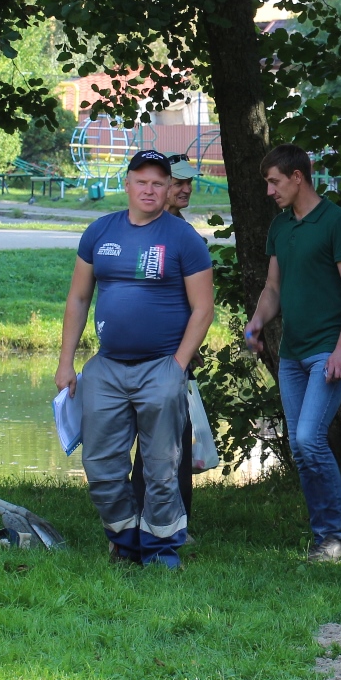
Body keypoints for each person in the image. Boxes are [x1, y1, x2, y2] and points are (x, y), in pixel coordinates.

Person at [56, 150, 214, 567]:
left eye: (158, 183)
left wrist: (178, 365)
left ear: (167, 189)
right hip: (106, 367)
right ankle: (126, 540)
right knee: (100, 465)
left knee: (162, 467)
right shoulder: (99, 231)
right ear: (126, 184)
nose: (149, 189)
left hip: (161, 366)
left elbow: (203, 309)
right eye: (141, 181)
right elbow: (78, 298)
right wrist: (66, 362)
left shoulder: (184, 239)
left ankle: (161, 549)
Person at [243, 144, 341, 562]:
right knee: (300, 447)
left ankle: (339, 538)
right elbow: (272, 288)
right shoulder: (280, 226)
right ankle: (324, 537)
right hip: (292, 354)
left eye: (274, 181)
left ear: (298, 177)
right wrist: (256, 323)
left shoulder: (336, 222)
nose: (269, 190)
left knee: (309, 439)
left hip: (326, 351)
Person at [129, 154, 203, 517]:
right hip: (143, 353)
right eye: (178, 182)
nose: (185, 189)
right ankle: (139, 515)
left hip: (175, 355)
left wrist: (188, 351)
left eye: (189, 183)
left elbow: (198, 303)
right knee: (148, 438)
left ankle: (173, 520)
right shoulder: (145, 231)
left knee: (175, 441)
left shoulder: (185, 235)